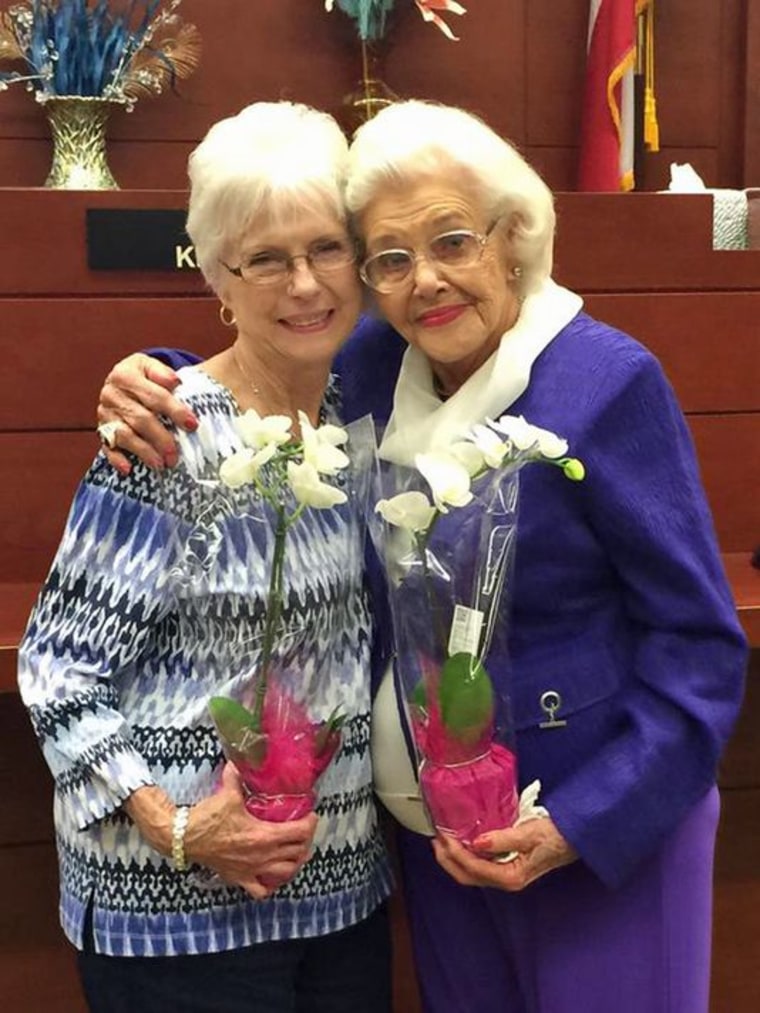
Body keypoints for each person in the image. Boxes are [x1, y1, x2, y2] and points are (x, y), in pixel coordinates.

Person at [95, 100, 747, 1013]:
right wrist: (156, 381)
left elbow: (700, 645)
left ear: (512, 237)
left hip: (593, 830)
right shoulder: (374, 366)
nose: (426, 281)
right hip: (439, 844)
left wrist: (579, 824)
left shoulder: (605, 381)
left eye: (453, 241)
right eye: (391, 260)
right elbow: (263, 375)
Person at [18, 101, 393, 1013]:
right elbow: (59, 668)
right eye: (266, 258)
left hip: (339, 891)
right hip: (176, 910)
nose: (304, 284)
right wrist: (177, 825)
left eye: (326, 249)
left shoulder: (364, 419)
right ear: (218, 279)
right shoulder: (168, 433)